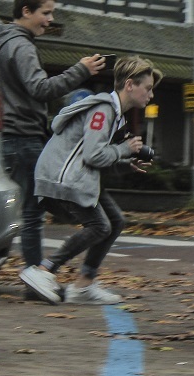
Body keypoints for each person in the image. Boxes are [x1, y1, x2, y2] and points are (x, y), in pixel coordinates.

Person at [20, 56, 161, 305]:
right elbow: (94, 155)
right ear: (130, 84)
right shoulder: (103, 110)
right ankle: (43, 270)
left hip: (76, 176)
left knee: (115, 221)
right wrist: (125, 149)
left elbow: (97, 160)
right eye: (147, 88)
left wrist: (127, 163)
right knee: (100, 226)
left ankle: (84, 285)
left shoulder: (116, 115)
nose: (150, 94)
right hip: (62, 178)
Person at [0, 0, 107, 270]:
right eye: (46, 13)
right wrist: (81, 70)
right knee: (32, 212)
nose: (50, 20)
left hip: (10, 135)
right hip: (23, 137)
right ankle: (34, 277)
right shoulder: (22, 46)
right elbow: (40, 89)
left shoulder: (2, 42)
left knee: (23, 208)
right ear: (26, 11)